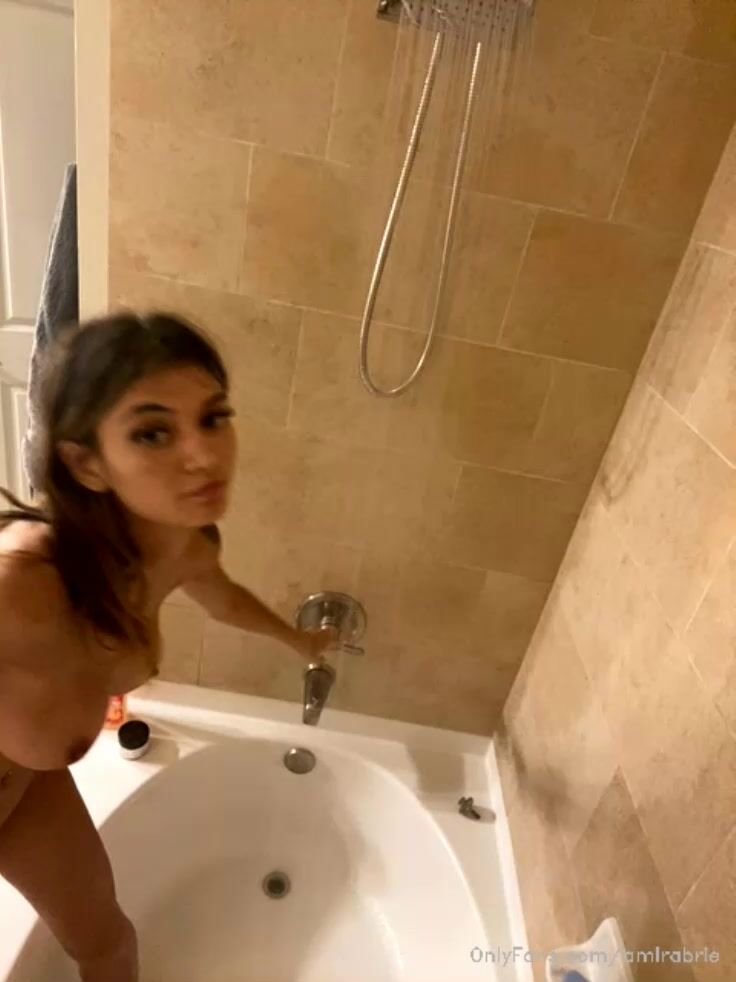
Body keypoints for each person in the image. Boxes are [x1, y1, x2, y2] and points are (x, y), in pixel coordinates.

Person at [0, 313, 334, 982]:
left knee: (109, 945)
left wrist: (297, 639)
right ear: (87, 463)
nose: (203, 455)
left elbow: (224, 598)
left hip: (30, 789)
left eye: (213, 418)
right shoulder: (25, 583)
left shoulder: (185, 547)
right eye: (153, 433)